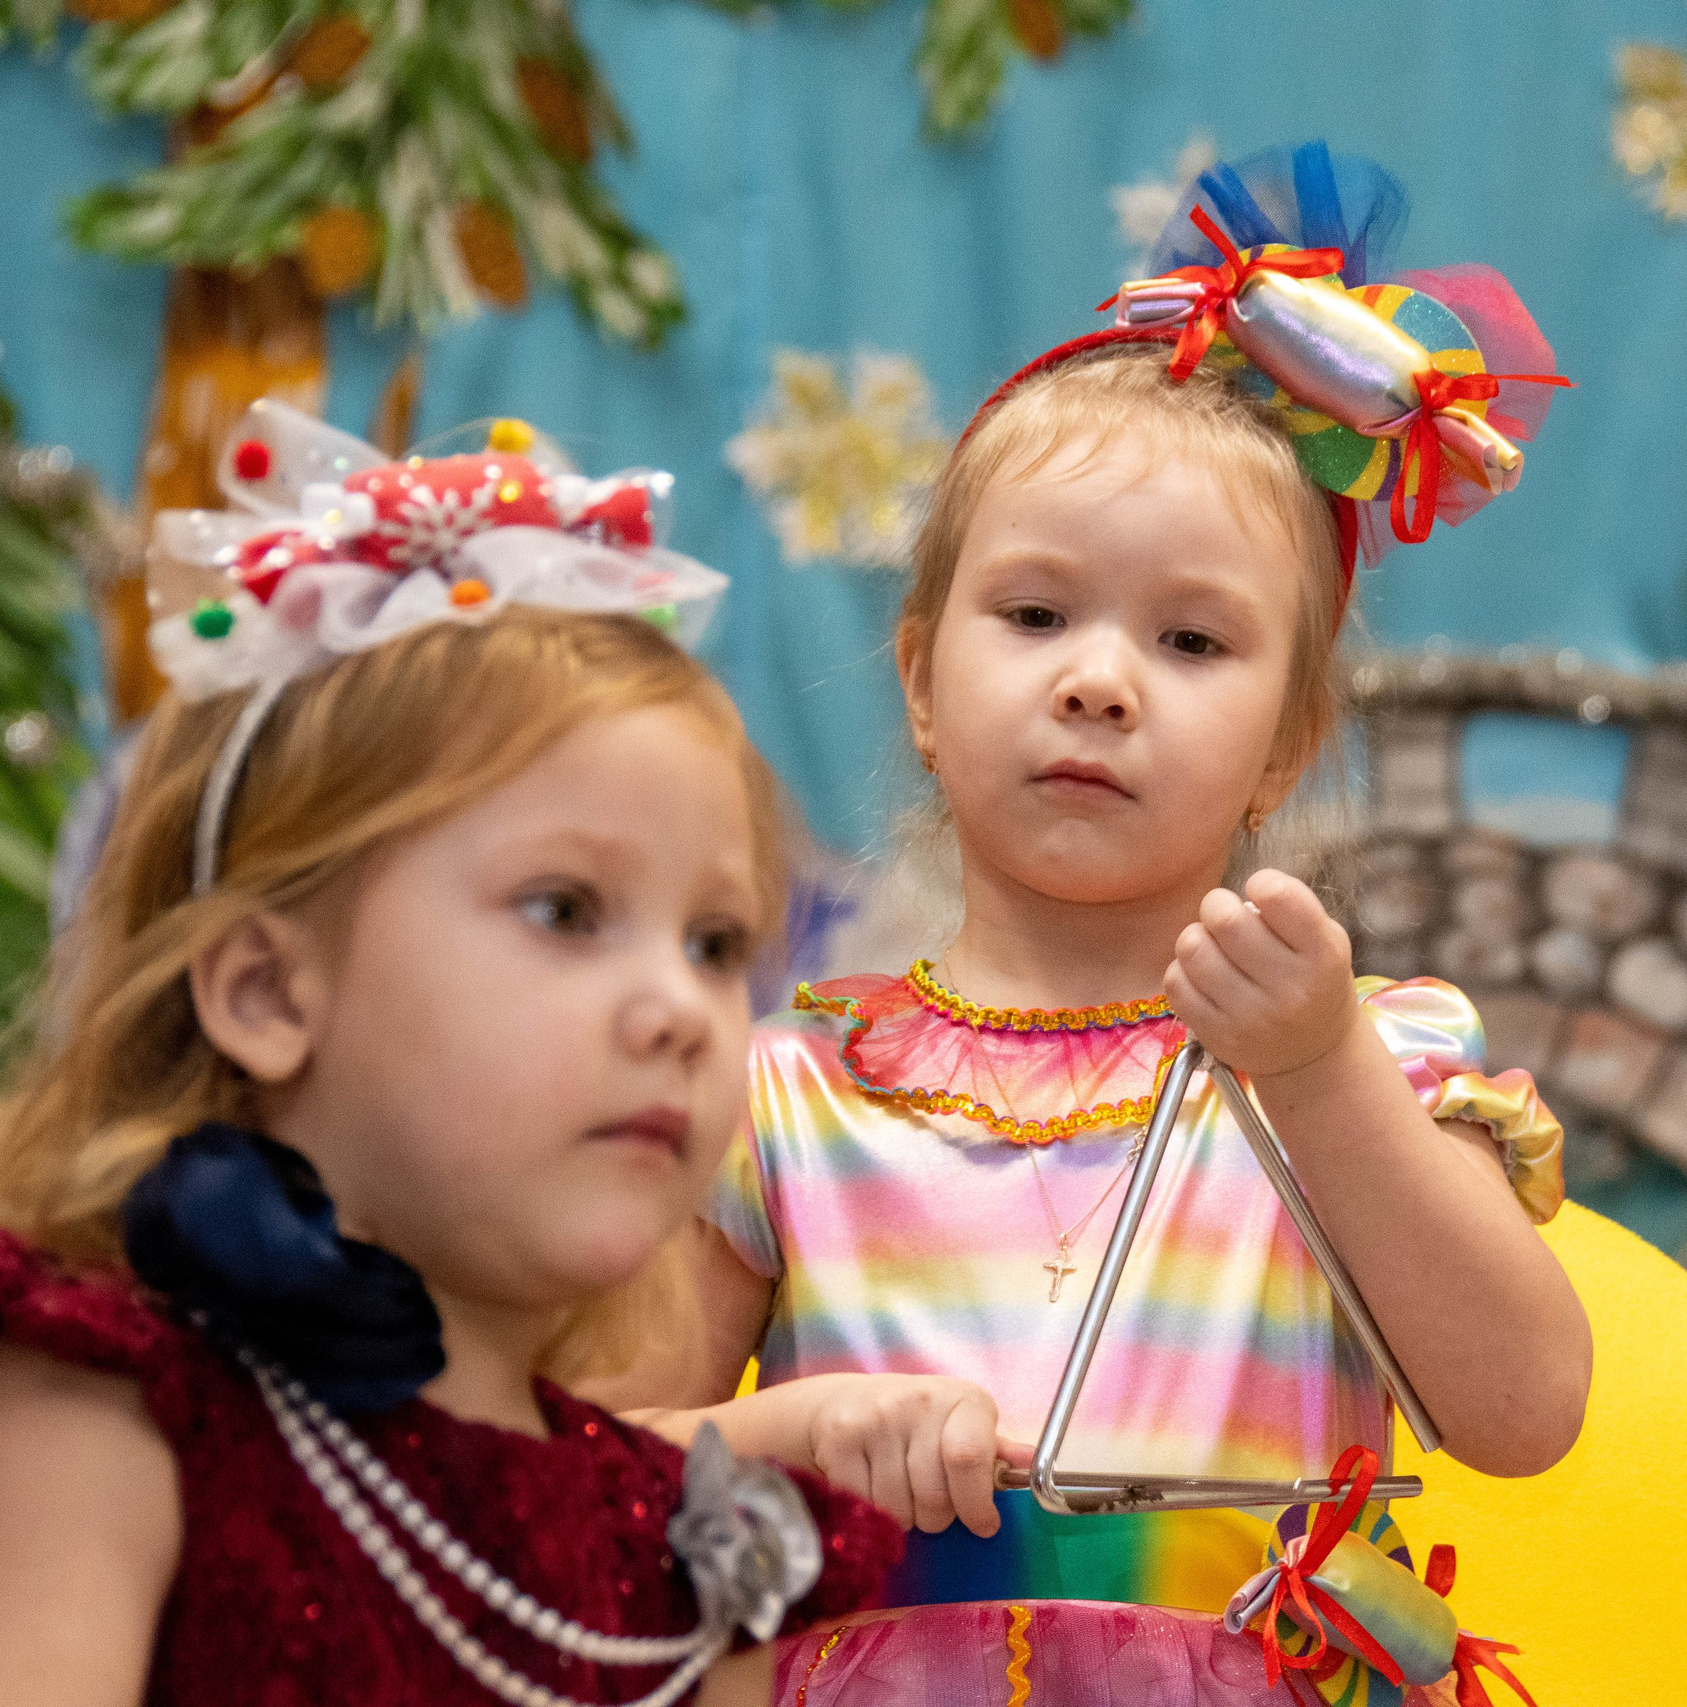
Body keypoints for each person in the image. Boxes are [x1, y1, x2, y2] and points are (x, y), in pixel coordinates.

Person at [610, 142, 1591, 1706]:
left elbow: (1526, 1407)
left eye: (1192, 639)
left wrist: (1318, 1067)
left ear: (1286, 744)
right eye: (1035, 614)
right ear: (922, 682)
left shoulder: (1376, 1058)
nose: (1099, 680)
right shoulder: (787, 1095)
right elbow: (590, 1487)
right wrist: (796, 1437)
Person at [0, 405, 897, 1706]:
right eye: (564, 910)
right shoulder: (114, 1416)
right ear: (268, 990)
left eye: (717, 943)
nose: (681, 1007)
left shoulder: (692, 1555)